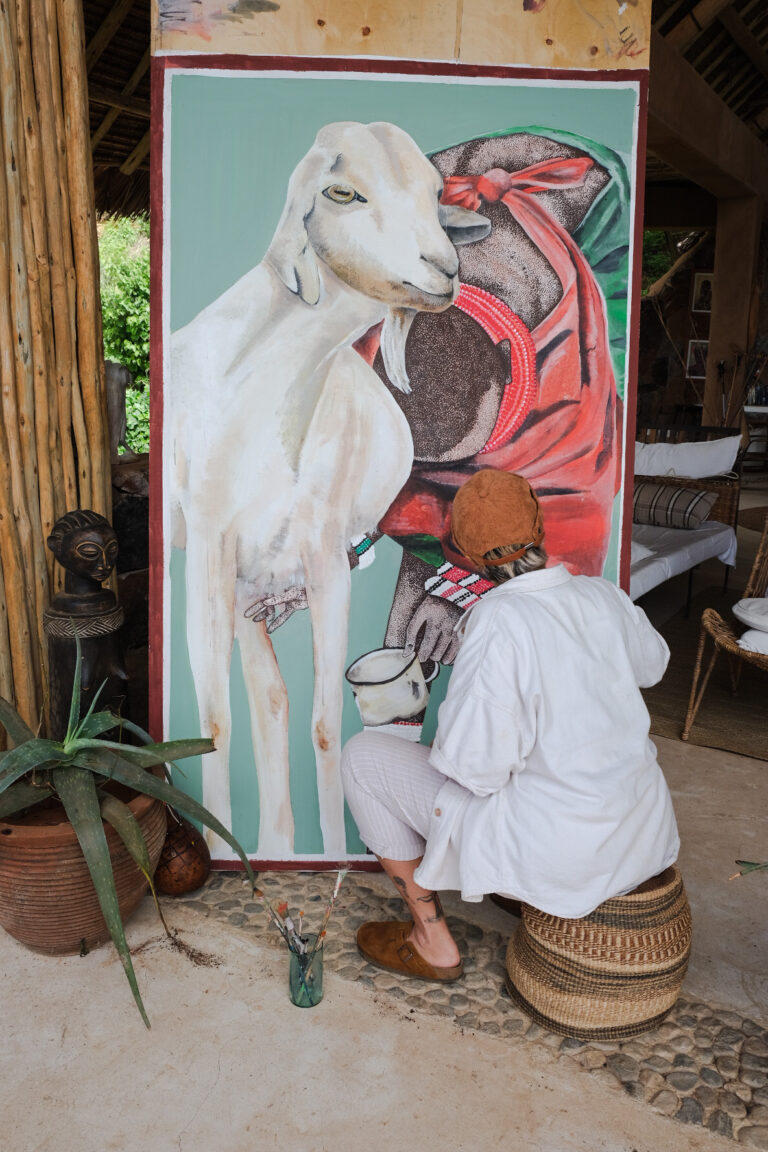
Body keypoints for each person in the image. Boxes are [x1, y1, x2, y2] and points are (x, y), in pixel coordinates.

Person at [340, 468, 679, 982]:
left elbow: (477, 771)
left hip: (562, 851)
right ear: (539, 528)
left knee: (363, 759)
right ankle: (511, 886)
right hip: (640, 830)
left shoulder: (496, 621)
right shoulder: (602, 596)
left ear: (465, 553)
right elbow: (654, 666)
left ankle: (430, 939)